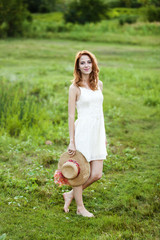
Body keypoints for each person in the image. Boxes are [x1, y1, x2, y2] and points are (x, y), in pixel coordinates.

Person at [63, 50, 108, 217]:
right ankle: (80, 208)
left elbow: (100, 113)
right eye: (82, 63)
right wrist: (72, 141)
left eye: (88, 62)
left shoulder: (99, 84)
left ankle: (70, 194)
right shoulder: (74, 88)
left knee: (96, 173)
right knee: (81, 173)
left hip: (97, 132)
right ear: (78, 67)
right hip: (83, 131)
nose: (86, 65)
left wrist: (104, 137)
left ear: (93, 63)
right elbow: (70, 115)